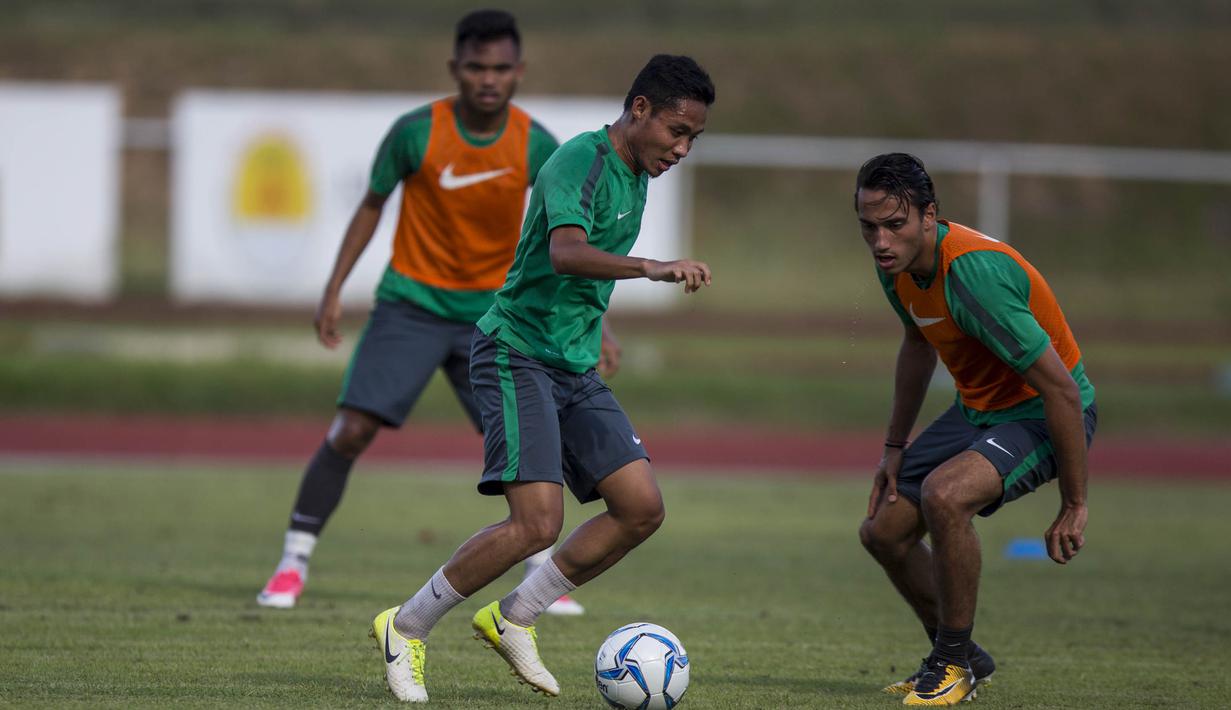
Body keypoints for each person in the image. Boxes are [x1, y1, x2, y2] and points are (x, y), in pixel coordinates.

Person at [369, 54, 716, 703]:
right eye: (676, 130)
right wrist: (652, 268)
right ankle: (406, 626)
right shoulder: (578, 160)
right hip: (515, 353)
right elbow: (564, 252)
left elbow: (572, 273)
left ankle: (513, 617)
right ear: (639, 109)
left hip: (573, 363)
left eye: (693, 137)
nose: (682, 147)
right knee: (535, 523)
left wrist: (598, 330)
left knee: (640, 508)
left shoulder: (637, 173)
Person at [257, 9, 602, 617]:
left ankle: (538, 572)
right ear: (455, 68)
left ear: (519, 71)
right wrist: (334, 288)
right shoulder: (415, 132)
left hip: (500, 319)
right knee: (353, 430)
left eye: (500, 68)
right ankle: (292, 562)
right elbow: (370, 206)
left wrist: (604, 325)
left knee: (530, 445)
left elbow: (564, 240)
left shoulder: (536, 144)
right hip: (410, 306)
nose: (488, 80)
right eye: (476, 67)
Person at [854, 153, 1097, 706]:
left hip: (1043, 411)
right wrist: (894, 447)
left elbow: (1062, 390)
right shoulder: (897, 264)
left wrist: (1074, 503)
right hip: (978, 409)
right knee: (883, 532)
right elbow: (918, 342)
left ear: (928, 215)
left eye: (894, 224)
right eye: (869, 227)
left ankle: (952, 663)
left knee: (946, 496)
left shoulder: (972, 275)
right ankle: (962, 655)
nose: (881, 241)